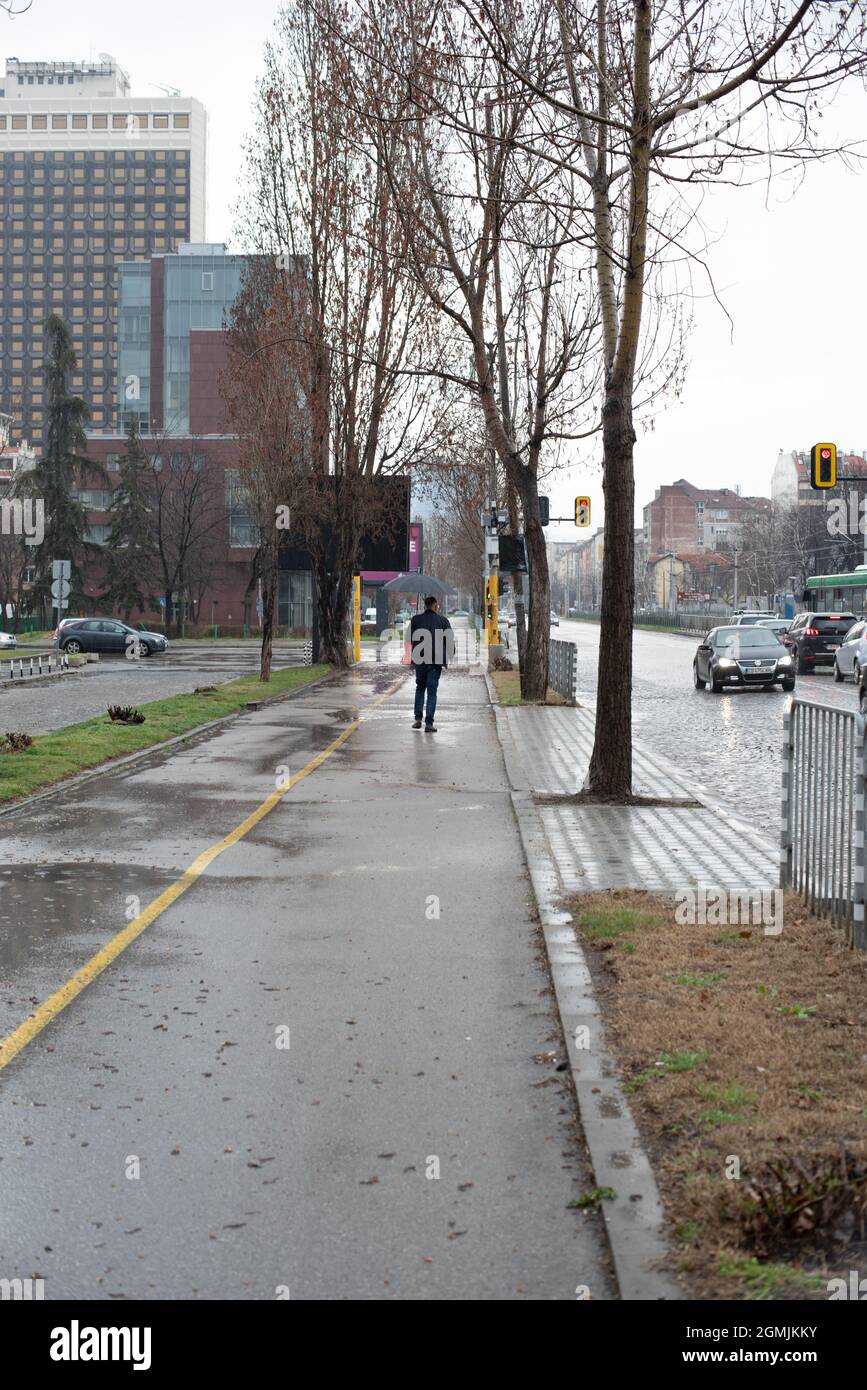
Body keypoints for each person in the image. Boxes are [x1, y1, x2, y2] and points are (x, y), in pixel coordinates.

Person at [410, 596, 453, 732]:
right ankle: (429, 723)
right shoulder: (443, 621)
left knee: (420, 688)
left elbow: (410, 639)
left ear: (425, 605)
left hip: (420, 660)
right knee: (432, 692)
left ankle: (418, 719)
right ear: (435, 606)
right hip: (435, 662)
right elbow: (450, 642)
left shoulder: (416, 620)